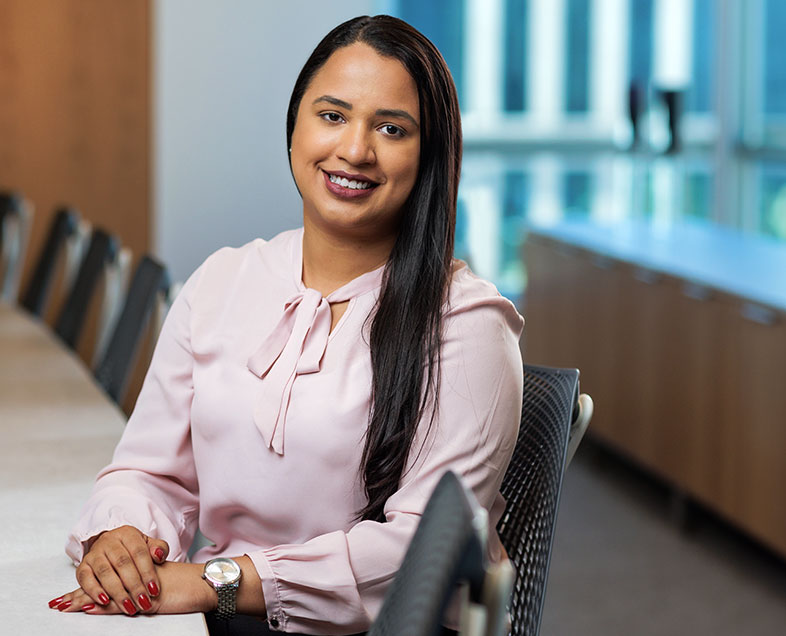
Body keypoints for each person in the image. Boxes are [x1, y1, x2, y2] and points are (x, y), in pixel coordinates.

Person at [48, 14, 524, 636]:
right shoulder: (221, 281)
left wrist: (219, 580)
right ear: (295, 128)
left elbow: (418, 553)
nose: (355, 149)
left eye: (391, 128)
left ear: (429, 154)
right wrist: (123, 538)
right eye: (332, 116)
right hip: (214, 617)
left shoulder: (464, 324)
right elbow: (149, 470)